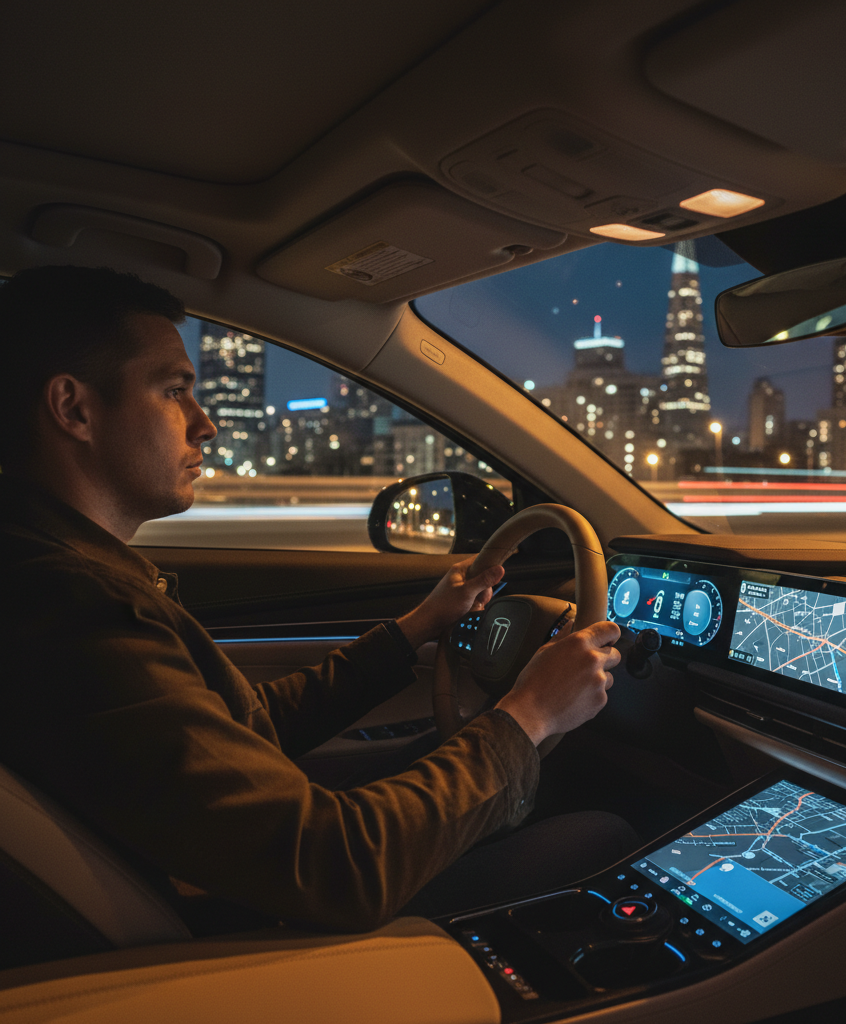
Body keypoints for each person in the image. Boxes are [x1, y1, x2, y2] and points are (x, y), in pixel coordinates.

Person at [0, 265, 634, 936]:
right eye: (175, 390)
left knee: (517, 784)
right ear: (74, 409)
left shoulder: (59, 577)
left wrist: (416, 628)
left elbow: (243, 729)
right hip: (232, 938)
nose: (205, 424)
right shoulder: (75, 608)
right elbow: (334, 866)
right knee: (602, 832)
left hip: (212, 881)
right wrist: (528, 714)